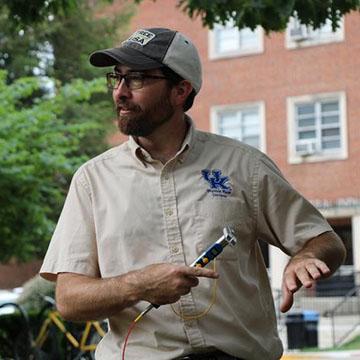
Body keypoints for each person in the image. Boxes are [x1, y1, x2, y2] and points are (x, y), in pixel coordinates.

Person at [40, 27, 346, 360]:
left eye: (138, 79)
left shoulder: (244, 166)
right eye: (117, 78)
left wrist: (305, 256)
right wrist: (139, 285)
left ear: (180, 90)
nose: (120, 92)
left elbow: (326, 241)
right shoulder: (92, 180)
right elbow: (69, 299)